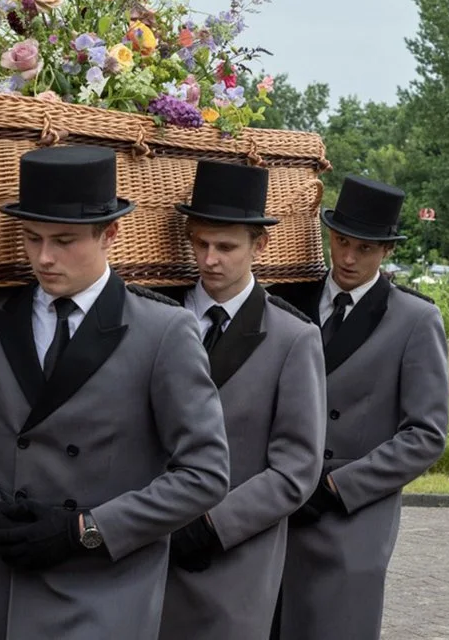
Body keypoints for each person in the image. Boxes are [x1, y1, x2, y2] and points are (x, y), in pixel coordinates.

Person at [0, 145, 230, 639]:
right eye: (32, 239)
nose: (45, 257)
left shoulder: (164, 331)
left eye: (64, 240)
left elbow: (205, 474)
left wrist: (85, 530)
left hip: (105, 591)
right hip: (3, 580)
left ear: (110, 233)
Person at [270, 174, 449, 640]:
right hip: (275, 508)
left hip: (350, 517)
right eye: (341, 241)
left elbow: (426, 435)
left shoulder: (416, 319)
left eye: (364, 249)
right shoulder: (287, 299)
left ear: (386, 251)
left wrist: (334, 489)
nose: (348, 258)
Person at [155, 160, 327, 640]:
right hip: (145, 553)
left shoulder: (294, 337)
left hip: (232, 562)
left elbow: (296, 468)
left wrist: (212, 526)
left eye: (226, 247)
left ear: (261, 244)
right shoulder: (153, 317)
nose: (210, 260)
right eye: (200, 244)